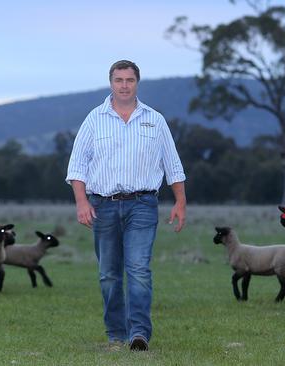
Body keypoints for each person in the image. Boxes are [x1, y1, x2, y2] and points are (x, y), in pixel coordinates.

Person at [66, 60, 186, 352]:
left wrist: (180, 201)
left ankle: (139, 334)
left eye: (129, 80)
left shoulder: (154, 120)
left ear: (137, 83)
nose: (123, 85)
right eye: (118, 80)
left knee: (139, 269)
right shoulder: (94, 119)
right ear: (110, 83)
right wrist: (81, 202)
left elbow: (172, 164)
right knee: (108, 273)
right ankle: (116, 333)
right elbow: (77, 166)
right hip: (103, 205)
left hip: (143, 204)